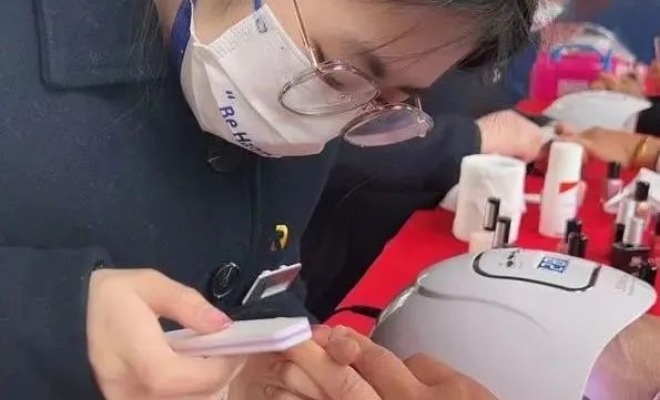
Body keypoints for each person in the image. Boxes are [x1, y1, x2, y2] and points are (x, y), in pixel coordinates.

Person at [0, 0, 540, 398]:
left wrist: (281, 364)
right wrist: (49, 321)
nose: (324, 134)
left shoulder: (299, 98)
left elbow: (262, 271)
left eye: (388, 102)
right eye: (338, 75)